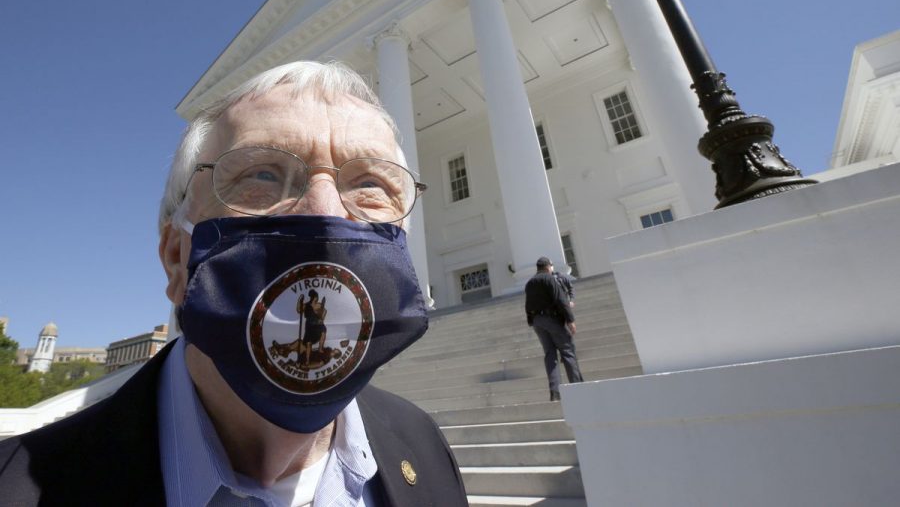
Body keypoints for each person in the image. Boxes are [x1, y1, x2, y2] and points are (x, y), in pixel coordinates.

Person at [0, 62, 467, 506]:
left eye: (371, 185)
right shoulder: (16, 486)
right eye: (262, 175)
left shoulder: (424, 447)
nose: (326, 213)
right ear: (176, 256)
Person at [525, 256, 584, 402]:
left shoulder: (529, 283)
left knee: (550, 355)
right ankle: (577, 387)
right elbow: (560, 299)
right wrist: (570, 320)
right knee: (567, 350)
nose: (552, 269)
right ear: (547, 267)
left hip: (538, 322)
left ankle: (555, 393)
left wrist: (531, 321)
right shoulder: (549, 279)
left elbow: (527, 304)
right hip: (551, 319)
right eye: (551, 266)